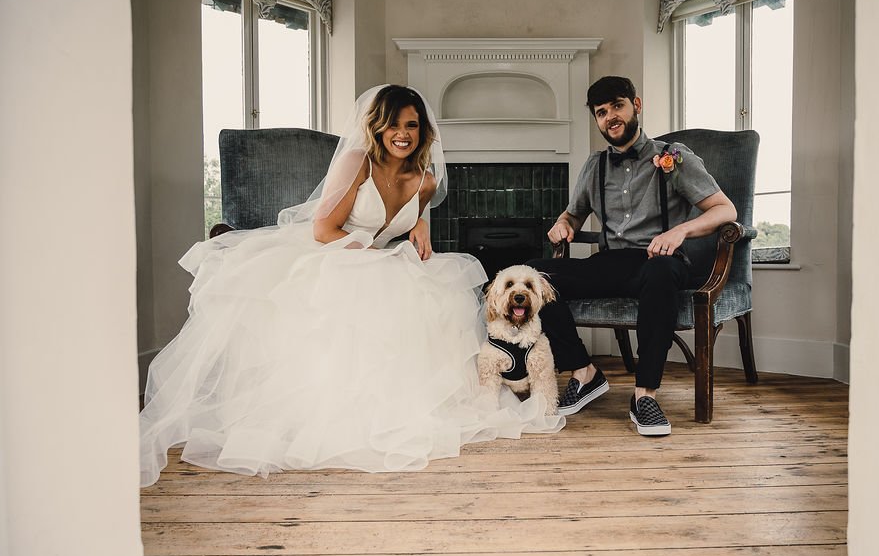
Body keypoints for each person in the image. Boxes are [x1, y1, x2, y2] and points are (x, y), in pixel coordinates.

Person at [138, 85, 563, 487]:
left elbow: (396, 218)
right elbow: (323, 228)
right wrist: (376, 252)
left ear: (423, 131)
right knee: (377, 298)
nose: (402, 134)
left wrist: (416, 222)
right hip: (331, 255)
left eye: (412, 125)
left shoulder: (427, 181)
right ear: (377, 126)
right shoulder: (358, 160)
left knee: (439, 294)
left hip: (380, 258)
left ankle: (403, 408)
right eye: (393, 124)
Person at [529, 76, 737, 436]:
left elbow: (725, 210)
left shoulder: (674, 156)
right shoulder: (594, 166)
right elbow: (572, 215)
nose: (610, 117)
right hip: (611, 263)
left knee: (660, 275)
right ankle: (583, 372)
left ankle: (645, 396)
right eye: (601, 112)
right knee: (532, 277)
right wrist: (562, 225)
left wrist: (680, 231)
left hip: (661, 263)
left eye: (617, 106)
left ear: (636, 106)